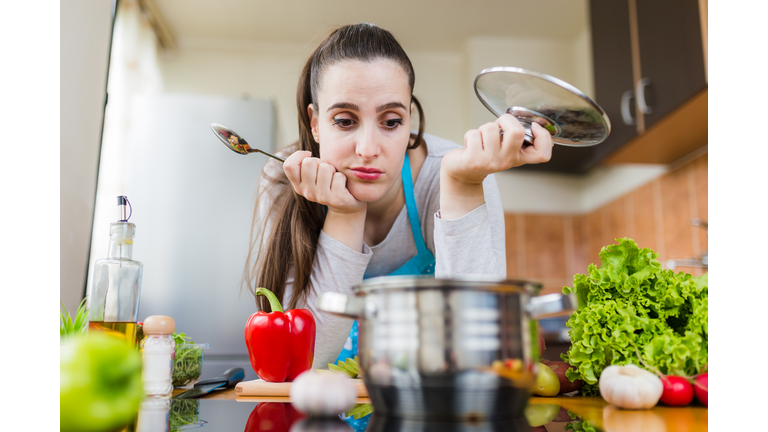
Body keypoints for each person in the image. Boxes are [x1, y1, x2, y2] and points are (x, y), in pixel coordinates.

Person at [242, 23, 553, 372]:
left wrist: (463, 186)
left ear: (410, 122)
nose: (368, 150)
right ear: (315, 124)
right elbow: (302, 364)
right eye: (345, 121)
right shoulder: (281, 179)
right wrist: (345, 213)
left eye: (390, 121)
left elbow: (483, 354)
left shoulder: (454, 173)